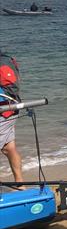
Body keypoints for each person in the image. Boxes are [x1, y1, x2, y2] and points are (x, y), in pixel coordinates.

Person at [0, 49, 23, 183]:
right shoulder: (6, 60)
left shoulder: (3, 63)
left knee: (9, 148)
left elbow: (10, 88)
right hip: (10, 110)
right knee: (9, 148)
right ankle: (20, 184)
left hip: (4, 111)